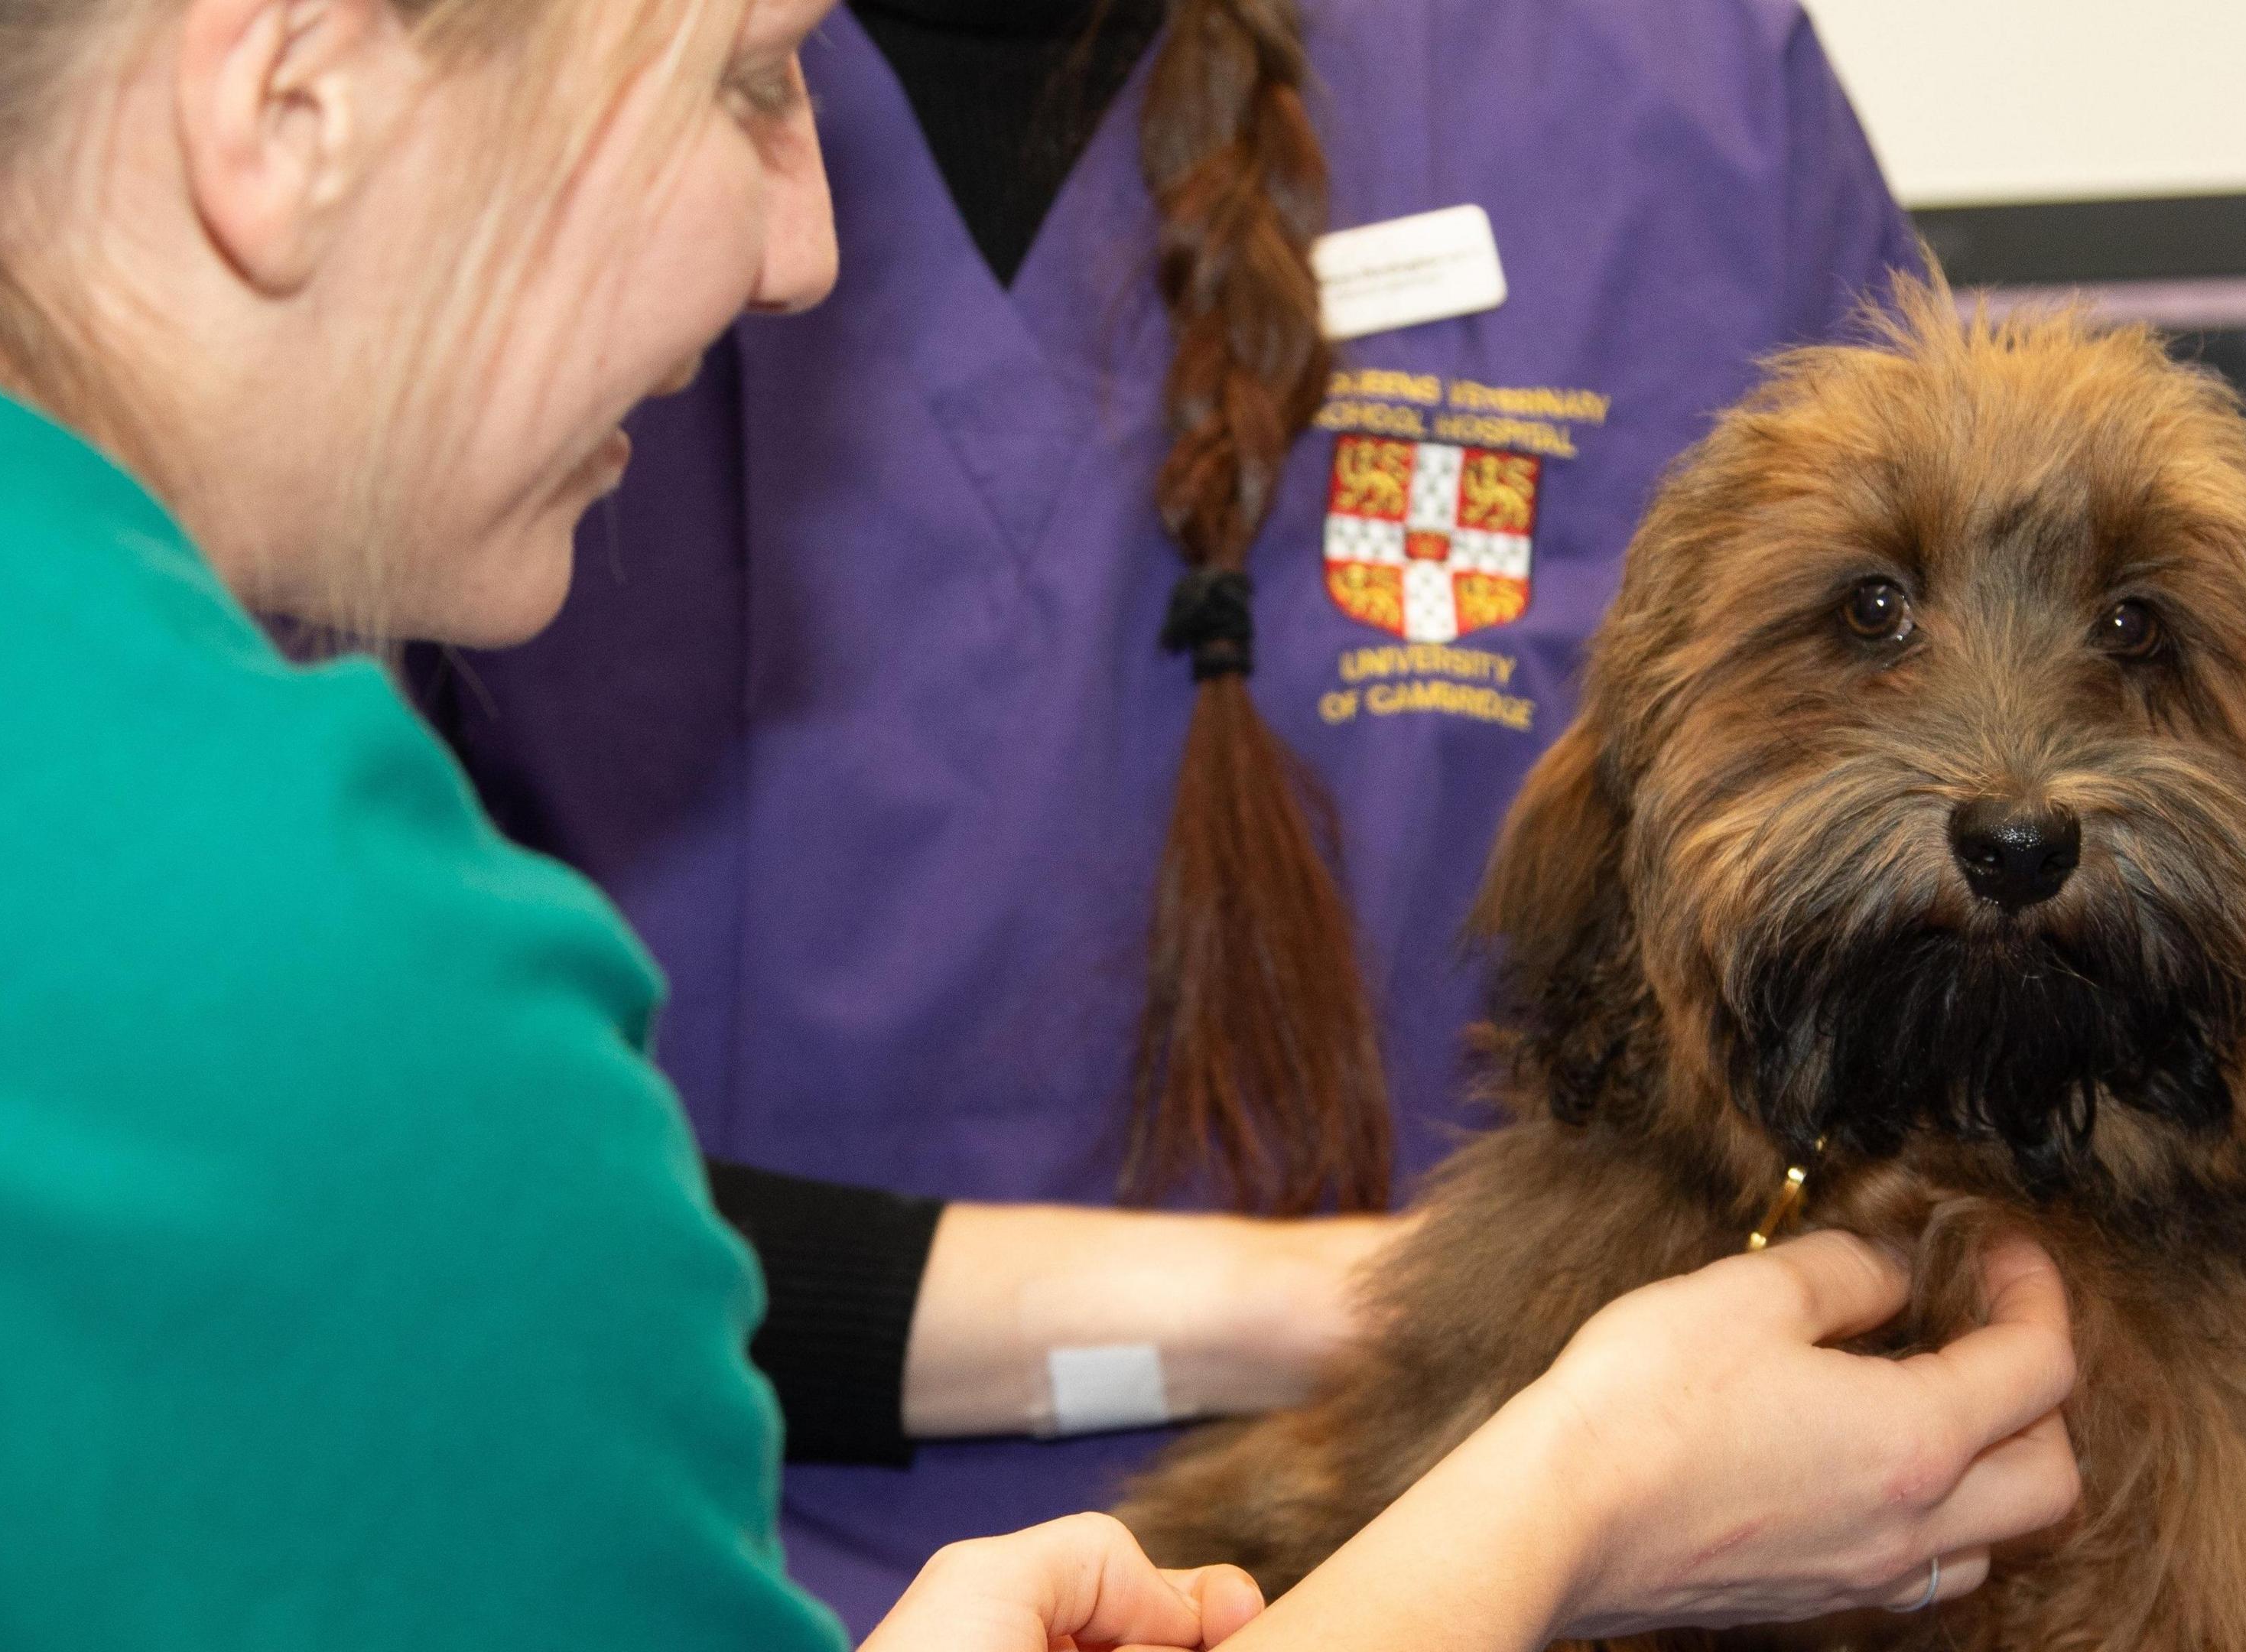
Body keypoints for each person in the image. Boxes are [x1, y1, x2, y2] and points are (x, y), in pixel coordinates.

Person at [0, 0, 2087, 1645]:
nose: (807, 243)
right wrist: (1569, 1510)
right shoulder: (302, 993)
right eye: (743, 78)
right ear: (293, 97)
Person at [430, 0, 1932, 1622]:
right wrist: (1351, 1315)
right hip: (655, 1551)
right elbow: (346, 1140)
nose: (791, 238)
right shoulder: (505, 83)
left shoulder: (1674, 97)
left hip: (1565, 1532)